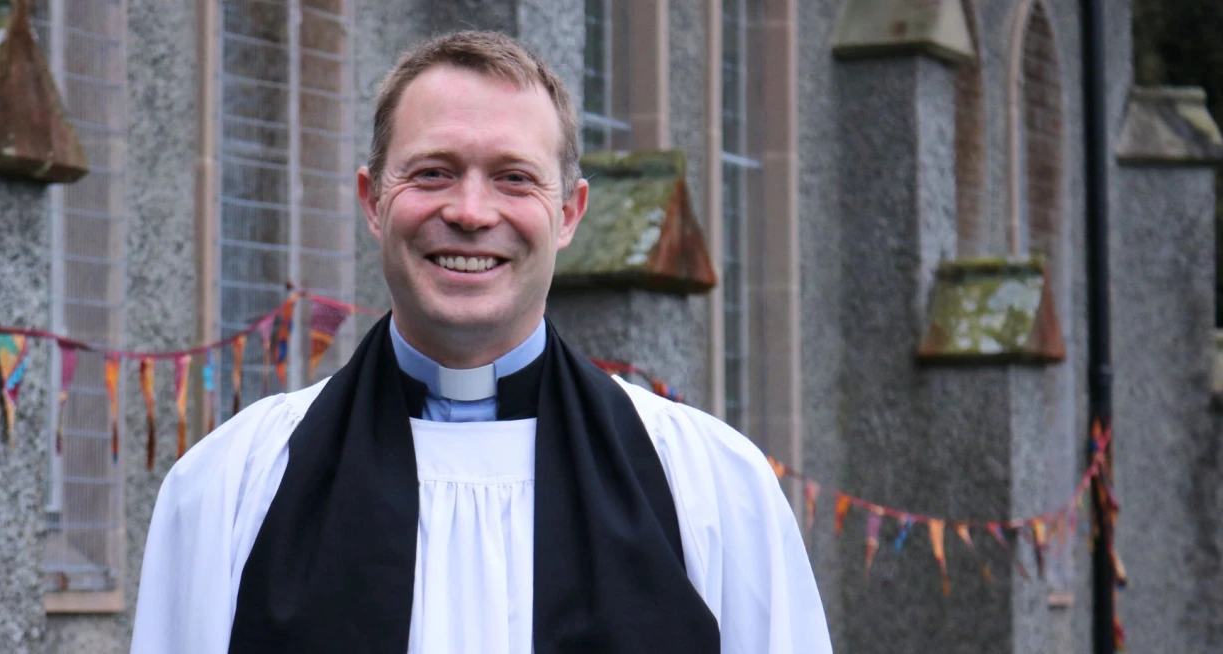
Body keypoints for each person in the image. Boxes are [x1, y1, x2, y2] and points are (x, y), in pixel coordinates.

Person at [131, 30, 831, 654]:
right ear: (373, 201)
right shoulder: (231, 485)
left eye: (513, 178)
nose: (469, 212)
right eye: (432, 172)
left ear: (568, 213)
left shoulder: (712, 488)